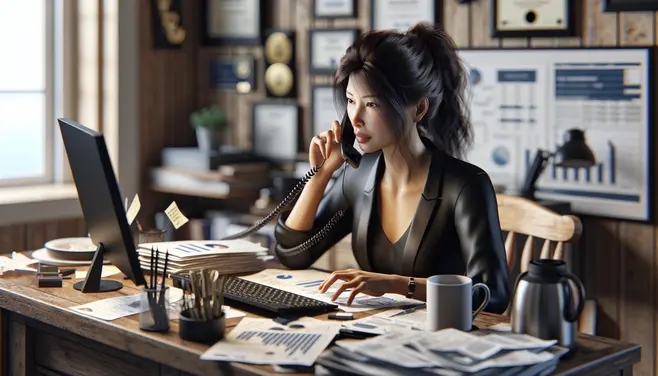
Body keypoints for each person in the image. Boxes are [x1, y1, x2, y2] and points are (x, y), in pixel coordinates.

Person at [273, 22, 510, 314]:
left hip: (444, 342)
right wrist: (320, 175)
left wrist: (397, 285)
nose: (355, 118)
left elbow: (492, 295)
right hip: (378, 335)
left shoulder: (465, 185)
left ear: (419, 109)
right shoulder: (358, 175)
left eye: (371, 105)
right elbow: (293, 254)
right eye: (350, 101)